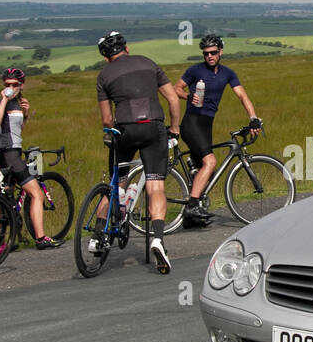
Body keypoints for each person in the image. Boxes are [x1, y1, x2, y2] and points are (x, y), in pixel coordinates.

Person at [95, 31, 181, 273]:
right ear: (127, 48)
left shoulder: (104, 75)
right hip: (154, 128)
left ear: (105, 57)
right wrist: (174, 129)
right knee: (156, 187)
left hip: (125, 131)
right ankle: (157, 239)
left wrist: (109, 131)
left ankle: (98, 234)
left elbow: (106, 118)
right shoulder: (149, 63)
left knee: (116, 184)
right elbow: (173, 100)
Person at [175, 34, 262, 226]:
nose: (209, 56)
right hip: (191, 123)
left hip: (206, 124)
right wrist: (188, 96)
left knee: (209, 171)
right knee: (211, 161)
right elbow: (176, 88)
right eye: (206, 53)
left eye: (213, 52)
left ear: (220, 52)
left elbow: (242, 96)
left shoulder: (228, 73)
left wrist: (253, 118)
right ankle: (192, 206)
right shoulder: (195, 70)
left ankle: (191, 218)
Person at [0, 67, 60, 249]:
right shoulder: (3, 101)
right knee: (36, 194)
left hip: (11, 151)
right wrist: (5, 99)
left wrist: (26, 114)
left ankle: (1, 243)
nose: (11, 87)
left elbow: (16, 129)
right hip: (9, 153)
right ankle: (41, 238)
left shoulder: (19, 102)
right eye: (7, 84)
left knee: (4, 195)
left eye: (15, 85)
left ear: (22, 85)